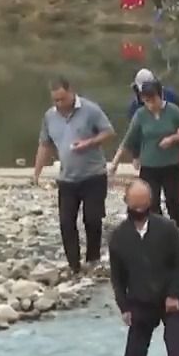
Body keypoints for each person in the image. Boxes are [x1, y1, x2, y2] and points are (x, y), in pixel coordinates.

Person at [108, 179, 179, 356]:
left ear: (151, 203)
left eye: (143, 204)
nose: (138, 210)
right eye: (134, 205)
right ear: (126, 203)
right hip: (139, 299)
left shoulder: (167, 229)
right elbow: (117, 276)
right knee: (135, 350)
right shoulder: (119, 237)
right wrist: (123, 306)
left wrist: (175, 294)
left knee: (177, 343)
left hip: (172, 297)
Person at [33, 77, 116, 274]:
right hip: (67, 179)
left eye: (62, 99)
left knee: (93, 219)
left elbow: (109, 132)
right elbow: (45, 145)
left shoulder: (90, 110)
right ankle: (74, 265)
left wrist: (89, 143)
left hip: (93, 175)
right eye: (55, 100)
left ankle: (93, 258)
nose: (59, 104)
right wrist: (36, 173)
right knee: (66, 221)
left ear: (71, 92)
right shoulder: (50, 117)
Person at [109, 80, 179, 229]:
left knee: (174, 200)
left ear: (160, 96)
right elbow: (129, 139)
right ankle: (157, 230)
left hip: (172, 164)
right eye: (146, 101)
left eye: (153, 100)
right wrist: (115, 163)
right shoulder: (140, 115)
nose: (150, 104)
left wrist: (173, 138)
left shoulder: (173, 111)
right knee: (151, 202)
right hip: (149, 166)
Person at [126, 68, 179, 171]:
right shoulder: (135, 106)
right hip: (150, 154)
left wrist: (178, 128)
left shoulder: (169, 95)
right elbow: (133, 134)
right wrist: (135, 156)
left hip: (172, 151)